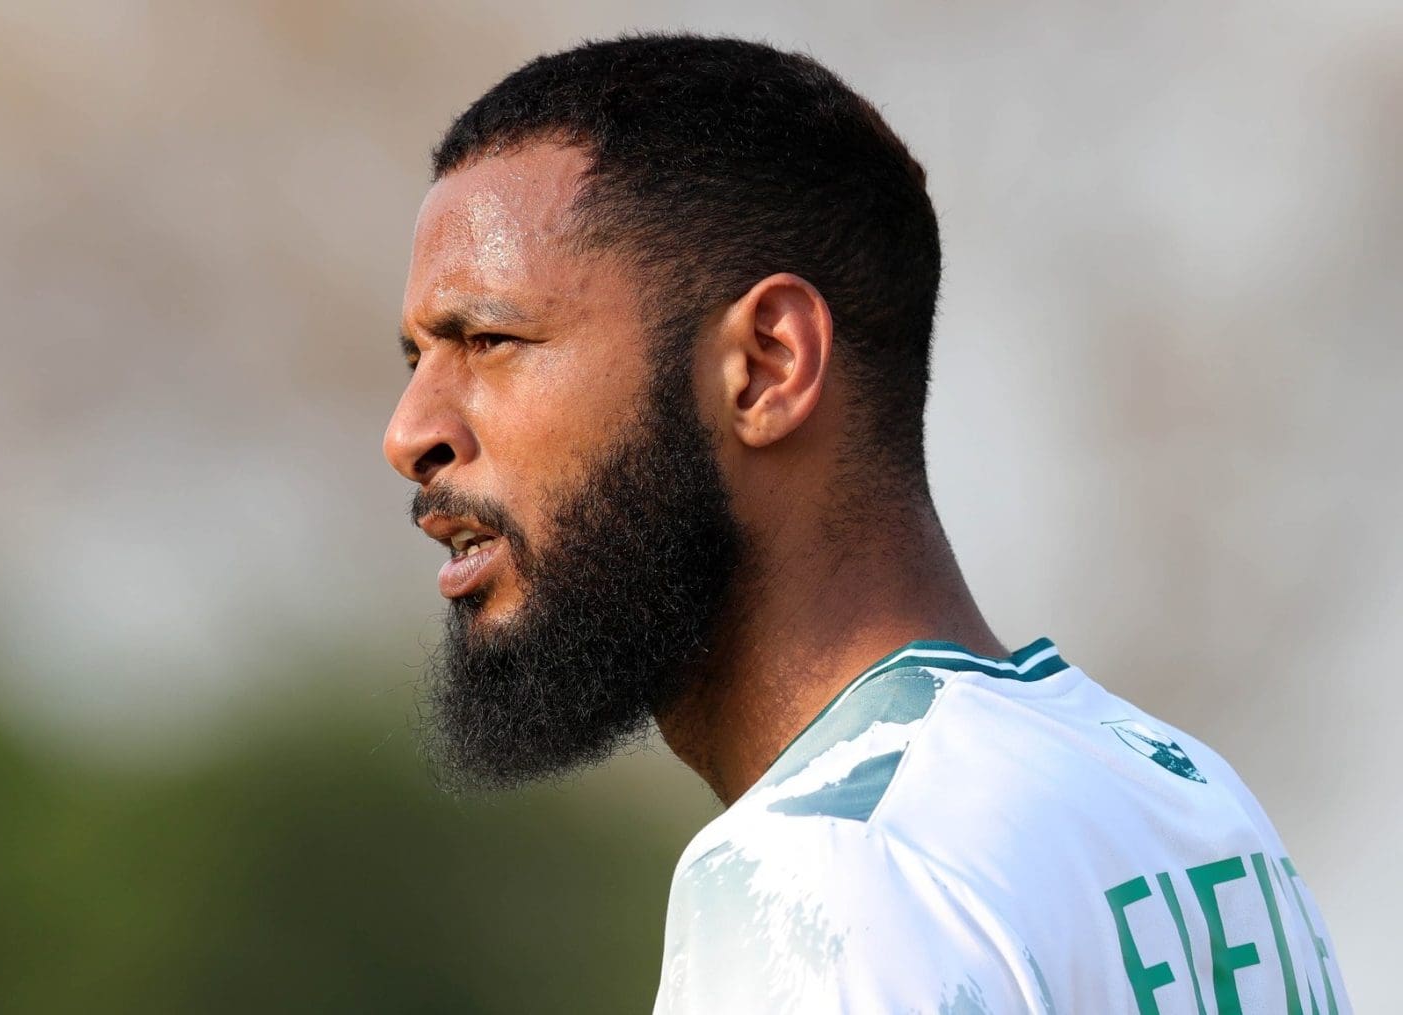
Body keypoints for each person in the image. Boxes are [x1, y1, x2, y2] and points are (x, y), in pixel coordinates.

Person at [381, 32, 1350, 1013]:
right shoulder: (1189, 808)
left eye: (488, 338)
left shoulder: (829, 867)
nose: (409, 433)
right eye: (416, 358)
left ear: (767, 366)